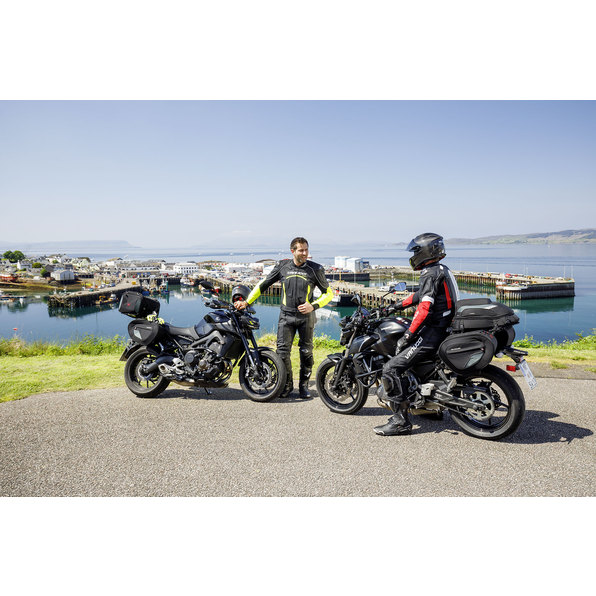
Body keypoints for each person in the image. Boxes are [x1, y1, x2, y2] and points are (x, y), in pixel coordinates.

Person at [374, 232, 460, 436]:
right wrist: (394, 306)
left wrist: (408, 335)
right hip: (446, 327)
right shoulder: (441, 269)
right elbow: (419, 295)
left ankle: (400, 422)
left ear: (425, 251)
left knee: (390, 368)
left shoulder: (429, 273)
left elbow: (424, 307)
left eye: (415, 251)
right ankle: (429, 408)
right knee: (416, 364)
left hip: (434, 331)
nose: (413, 256)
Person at [234, 237, 333, 398]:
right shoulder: (283, 266)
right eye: (301, 250)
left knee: (306, 352)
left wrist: (313, 306)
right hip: (286, 316)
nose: (305, 253)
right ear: (292, 251)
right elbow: (263, 285)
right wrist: (247, 302)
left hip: (306, 317)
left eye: (306, 249)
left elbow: (328, 294)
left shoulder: (315, 269)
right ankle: (287, 385)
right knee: (282, 353)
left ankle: (304, 386)